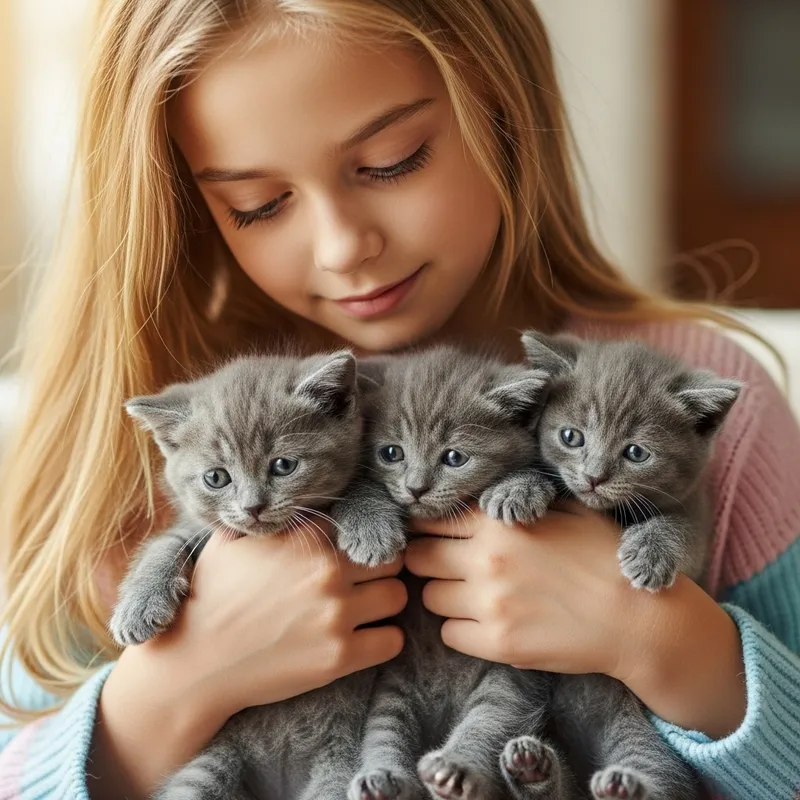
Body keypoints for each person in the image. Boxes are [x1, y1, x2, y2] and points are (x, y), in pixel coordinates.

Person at [1, 1, 798, 798]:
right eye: (258, 204)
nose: (344, 246)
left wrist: (664, 641)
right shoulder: (142, 431)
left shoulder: (696, 390)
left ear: (499, 103)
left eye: (392, 161)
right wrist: (175, 686)